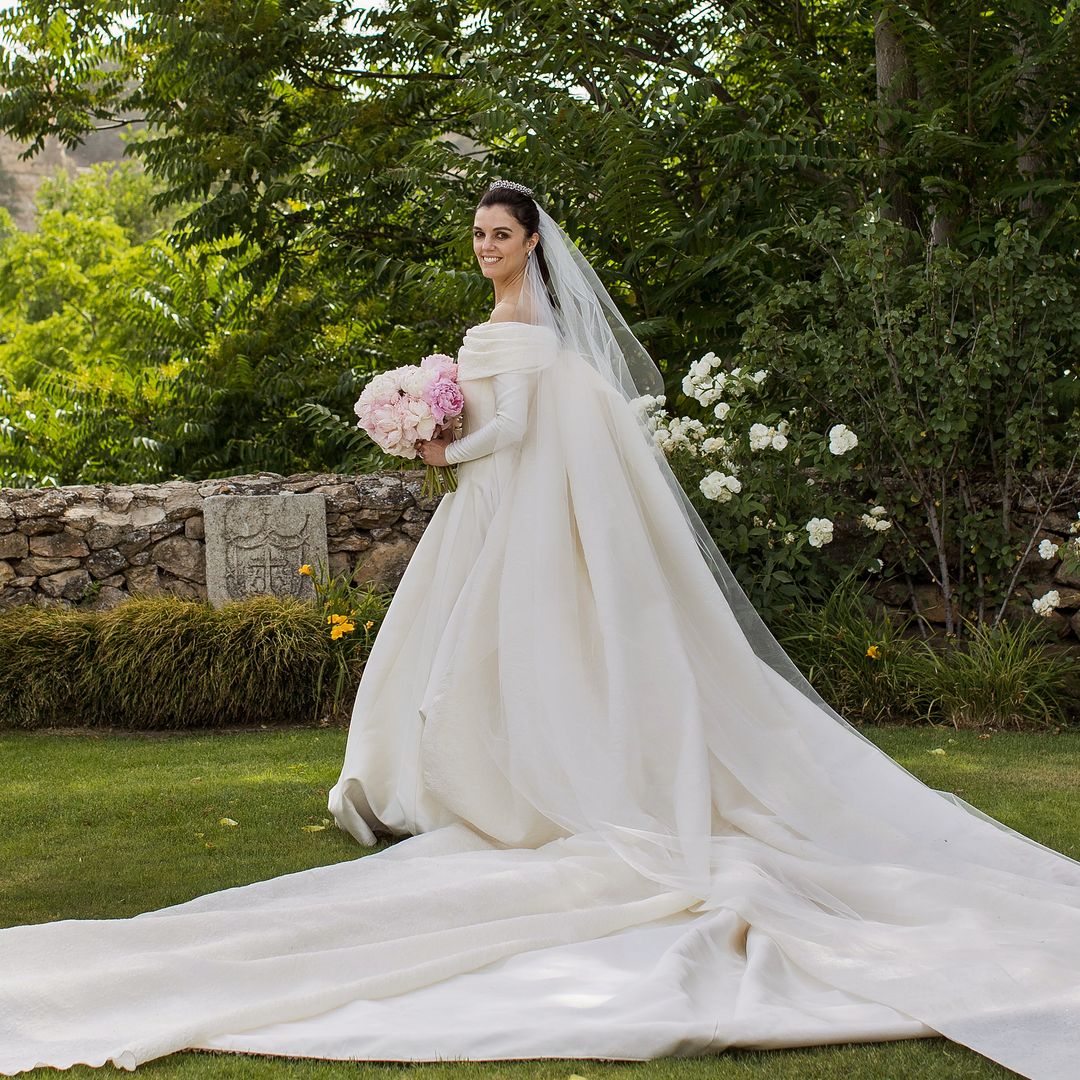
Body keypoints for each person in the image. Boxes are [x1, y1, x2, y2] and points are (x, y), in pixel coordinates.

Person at [1, 181, 1079, 1080]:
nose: (484, 249)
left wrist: (434, 450)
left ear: (531, 246)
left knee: (484, 658)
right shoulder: (546, 334)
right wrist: (436, 423)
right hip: (504, 520)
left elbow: (505, 430)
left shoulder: (511, 332)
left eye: (499, 236)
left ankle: (500, 793)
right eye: (476, 236)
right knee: (488, 654)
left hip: (499, 514)